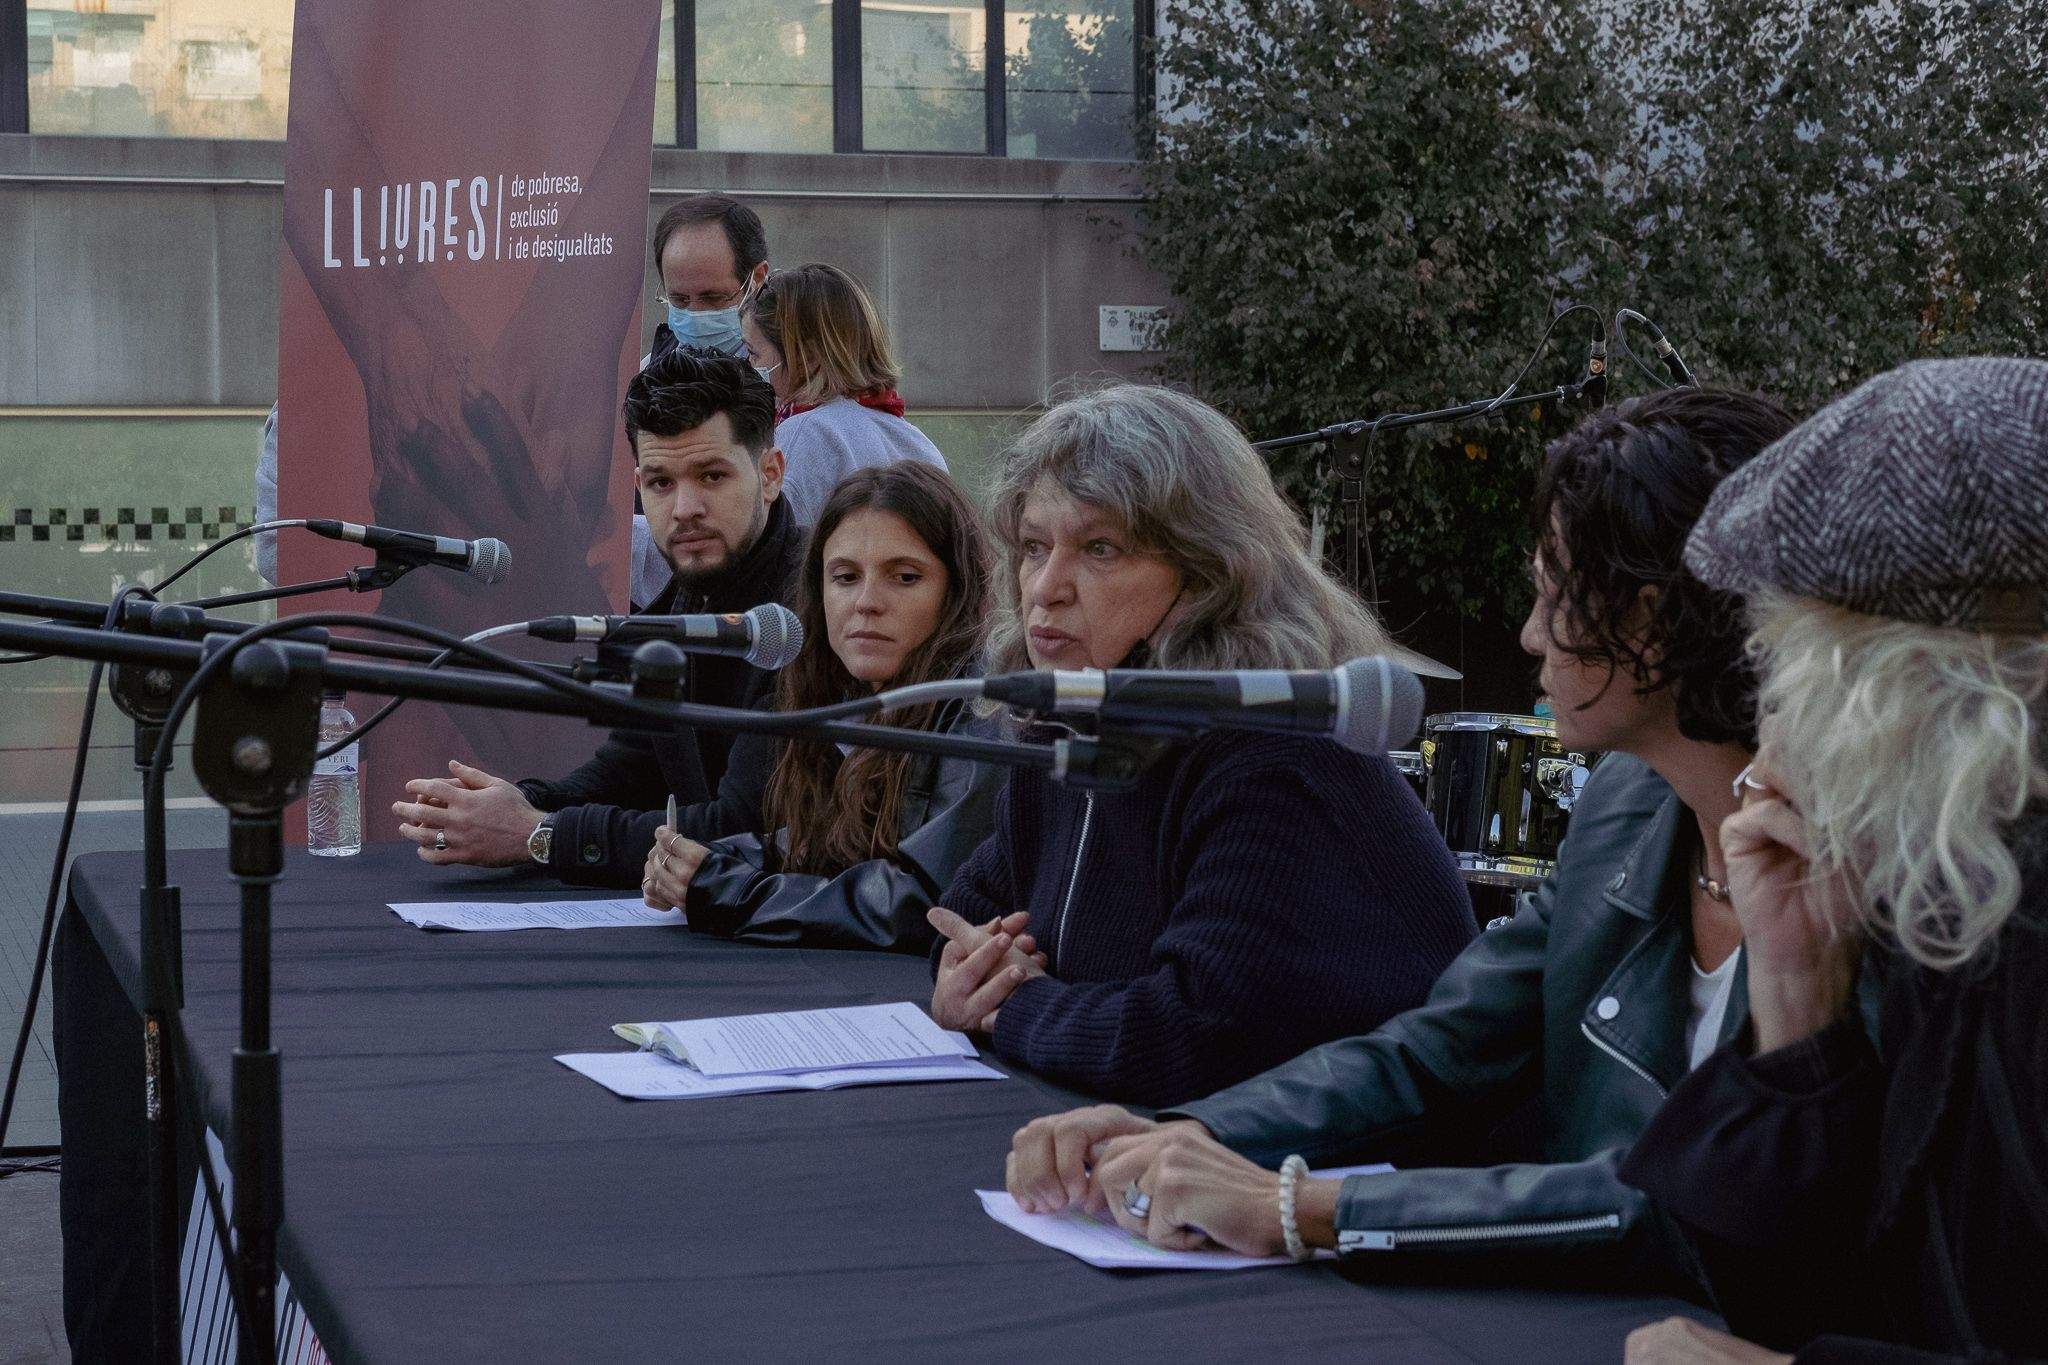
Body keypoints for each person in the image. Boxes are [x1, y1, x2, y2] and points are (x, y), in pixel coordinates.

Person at [1002, 388, 1801, 1291]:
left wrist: (1301, 1210)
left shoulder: (1854, 865)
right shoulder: (1626, 806)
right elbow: (1435, 1047)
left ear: (1655, 619)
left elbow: (1685, 1197)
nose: (1531, 632)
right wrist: (1194, 1132)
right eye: (1033, 548)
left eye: (1555, 593)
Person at [1619, 358, 2048, 1364]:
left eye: (1795, 660)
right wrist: (1796, 995)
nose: (1774, 716)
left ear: (1910, 688)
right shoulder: (1951, 902)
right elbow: (1814, 1292)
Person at [921, 384, 1475, 1110]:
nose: (1045, 588)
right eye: (1033, 547)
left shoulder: (1279, 753)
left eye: (1100, 548)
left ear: (1206, 577)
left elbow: (1189, 1037)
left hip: (1366, 1180)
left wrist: (1012, 1007)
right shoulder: (1070, 724)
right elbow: (960, 916)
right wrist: (970, 972)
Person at [391, 351, 801, 884]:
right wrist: (517, 805)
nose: (684, 508)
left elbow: (741, 826)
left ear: (769, 475)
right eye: (660, 483)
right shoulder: (683, 601)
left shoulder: (816, 610)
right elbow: (634, 766)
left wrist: (541, 834)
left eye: (712, 476)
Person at [252, 192, 770, 605]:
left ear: (755, 281)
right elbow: (282, 555)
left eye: (713, 299)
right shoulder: (628, 393)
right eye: (678, 300)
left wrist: (587, 550)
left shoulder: (791, 402)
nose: (694, 314)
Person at [640, 462, 1010, 954]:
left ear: (955, 592)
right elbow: (829, 848)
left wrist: (728, 889)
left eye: (904, 577)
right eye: (845, 576)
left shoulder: (983, 708)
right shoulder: (838, 690)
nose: (866, 602)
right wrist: (713, 859)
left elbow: (925, 900)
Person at [737, 263, 946, 524]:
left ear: (808, 357)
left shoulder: (802, 434)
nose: (748, 365)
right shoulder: (917, 442)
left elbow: (780, 551)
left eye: (753, 353)